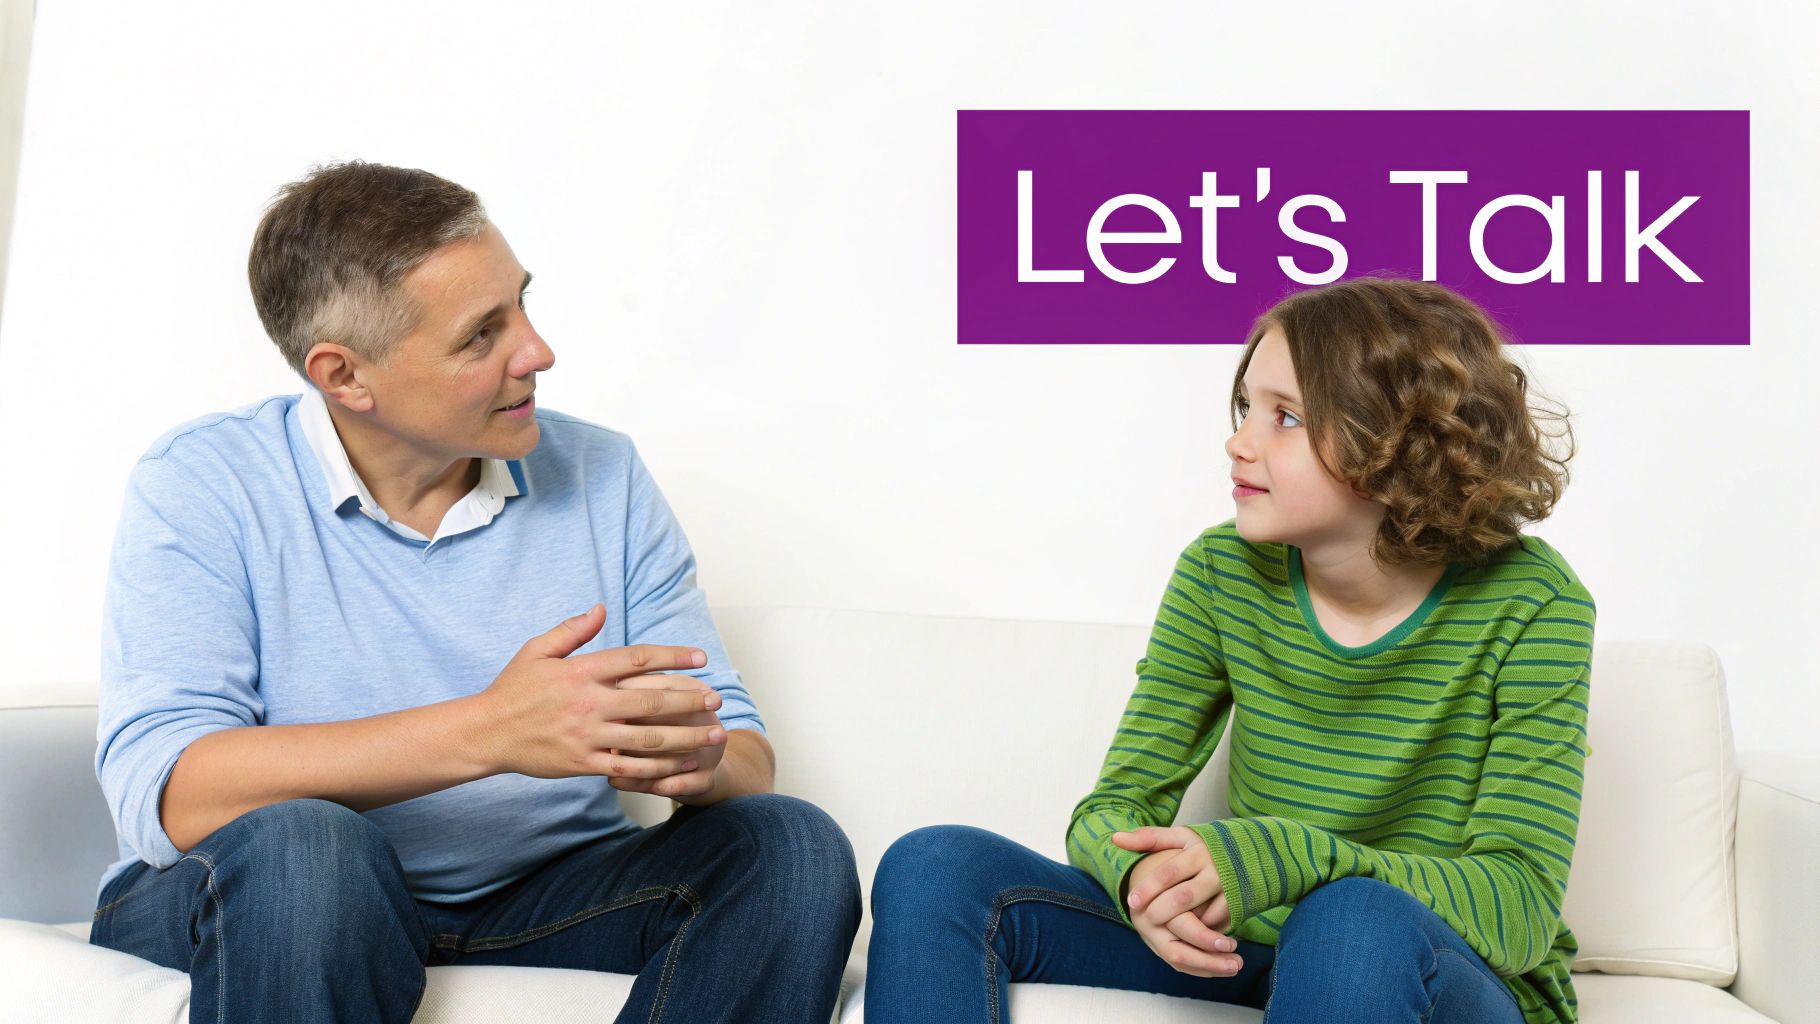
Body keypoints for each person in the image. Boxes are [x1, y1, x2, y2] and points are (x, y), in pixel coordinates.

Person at [87, 160, 861, 1024]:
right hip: (263, 894)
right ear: (344, 376)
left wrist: (691, 755)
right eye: (481, 334)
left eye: (522, 304)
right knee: (313, 850)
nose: (537, 351)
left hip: (541, 900)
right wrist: (491, 732)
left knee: (790, 844)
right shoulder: (204, 481)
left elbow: (746, 756)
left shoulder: (603, 473)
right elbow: (172, 791)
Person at [866, 276, 1595, 1024]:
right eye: (1248, 407)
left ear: (1398, 441)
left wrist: (1288, 855)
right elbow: (1113, 809)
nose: (1238, 442)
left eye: (1286, 417)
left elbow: (1520, 907)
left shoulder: (1534, 603)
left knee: (1351, 918)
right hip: (1249, 952)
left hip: (1441, 970)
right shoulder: (1222, 572)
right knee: (935, 867)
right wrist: (1139, 886)